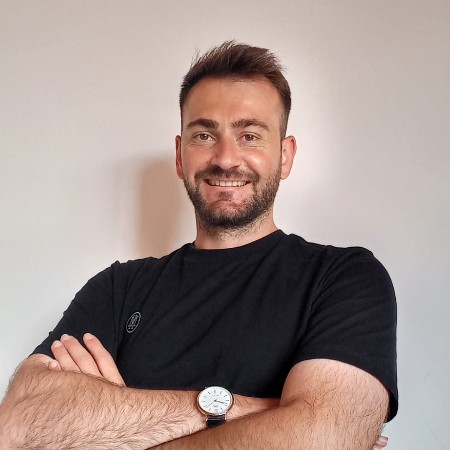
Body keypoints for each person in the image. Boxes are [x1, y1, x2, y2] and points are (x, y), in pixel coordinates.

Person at [0, 41, 397, 449]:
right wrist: (256, 411)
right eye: (204, 135)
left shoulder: (342, 279)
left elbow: (322, 439)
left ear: (284, 156)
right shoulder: (118, 289)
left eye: (249, 135)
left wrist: (112, 425)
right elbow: (16, 427)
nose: (225, 158)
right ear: (180, 155)